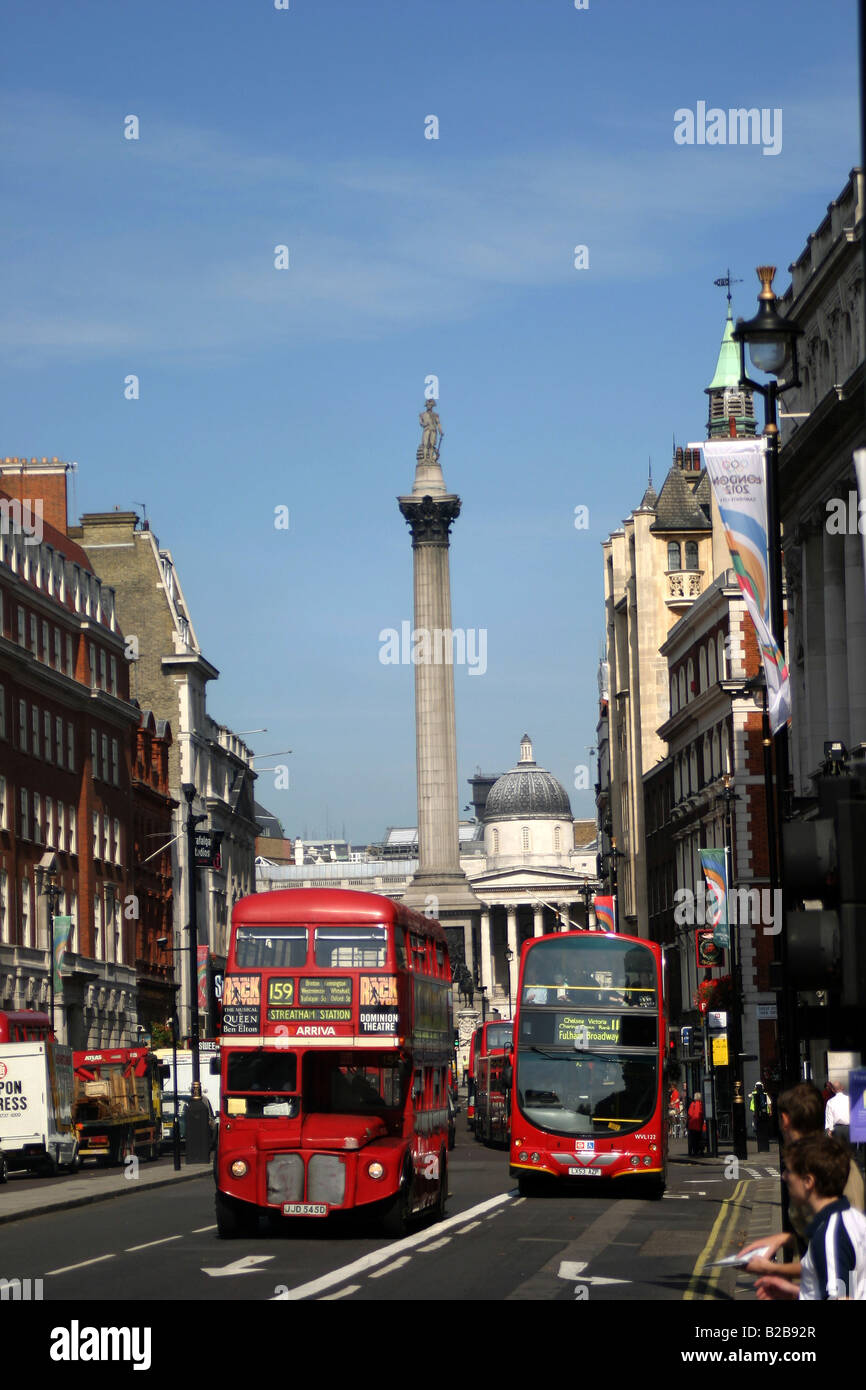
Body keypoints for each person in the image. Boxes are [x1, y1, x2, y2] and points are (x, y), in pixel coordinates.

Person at [738, 1082, 865, 1280]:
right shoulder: (820, 1161)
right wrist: (783, 1239)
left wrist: (771, 1270)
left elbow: (841, 1253)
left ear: (785, 1120)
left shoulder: (831, 1166)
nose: (784, 1177)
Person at [754, 1135, 866, 1300]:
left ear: (808, 1181)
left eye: (789, 1171)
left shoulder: (830, 1236)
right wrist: (797, 1293)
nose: (784, 1177)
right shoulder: (854, 1219)